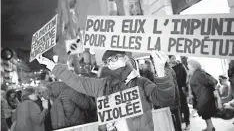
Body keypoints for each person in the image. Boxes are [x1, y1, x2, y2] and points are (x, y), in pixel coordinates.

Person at [36, 50, 169, 131]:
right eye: (107, 61)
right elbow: (76, 81)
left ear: (125, 59)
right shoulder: (102, 85)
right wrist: (51, 65)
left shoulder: (141, 83)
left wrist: (161, 70)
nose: (110, 63)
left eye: (114, 58)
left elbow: (164, 98)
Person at [188, 59, 217, 131]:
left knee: (205, 112)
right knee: (205, 113)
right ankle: (210, 127)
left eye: (188, 64)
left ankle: (210, 128)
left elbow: (207, 83)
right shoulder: (197, 72)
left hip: (204, 97)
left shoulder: (198, 73)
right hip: (202, 96)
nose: (187, 66)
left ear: (193, 65)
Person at [169, 55, 190, 130]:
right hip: (174, 90)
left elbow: (185, 77)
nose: (174, 59)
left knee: (184, 106)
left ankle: (188, 122)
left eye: (174, 57)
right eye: (172, 58)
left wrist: (185, 89)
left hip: (181, 89)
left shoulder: (180, 66)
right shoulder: (168, 68)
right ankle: (180, 124)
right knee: (178, 107)